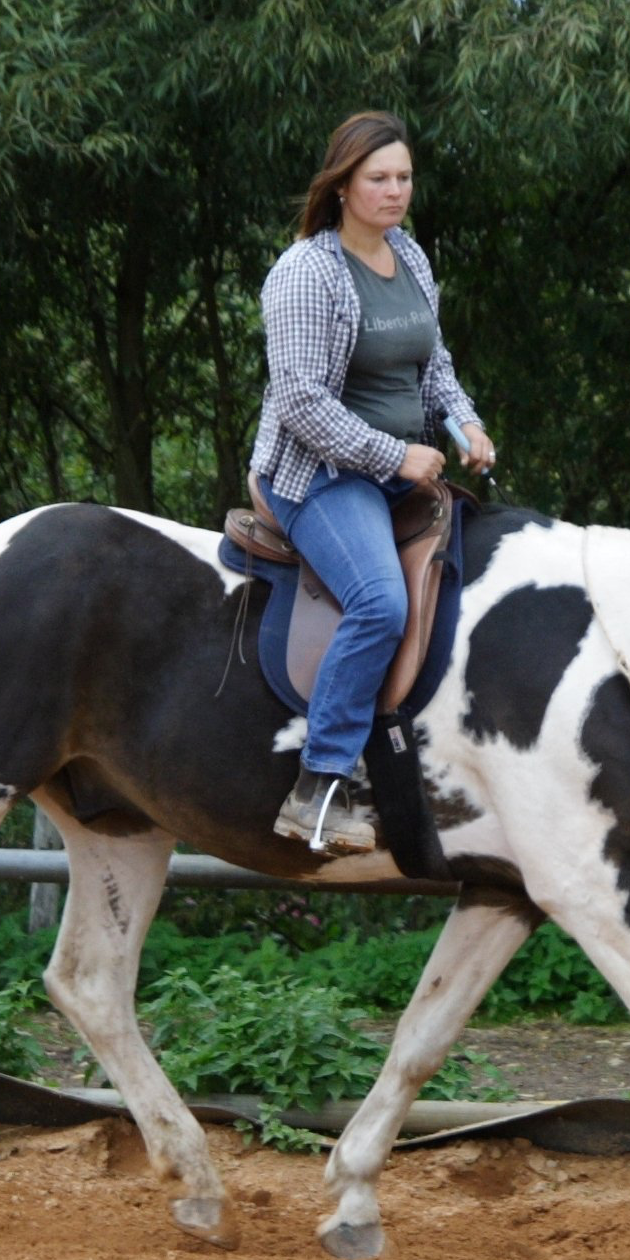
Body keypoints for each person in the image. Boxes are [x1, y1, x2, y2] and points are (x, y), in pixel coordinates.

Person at [250, 111, 497, 854]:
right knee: (380, 601)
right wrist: (393, 457)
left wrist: (463, 426)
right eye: (378, 179)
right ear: (342, 186)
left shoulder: (410, 258)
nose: (395, 193)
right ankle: (319, 784)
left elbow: (434, 366)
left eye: (404, 178)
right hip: (318, 474)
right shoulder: (304, 272)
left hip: (402, 467)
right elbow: (298, 401)